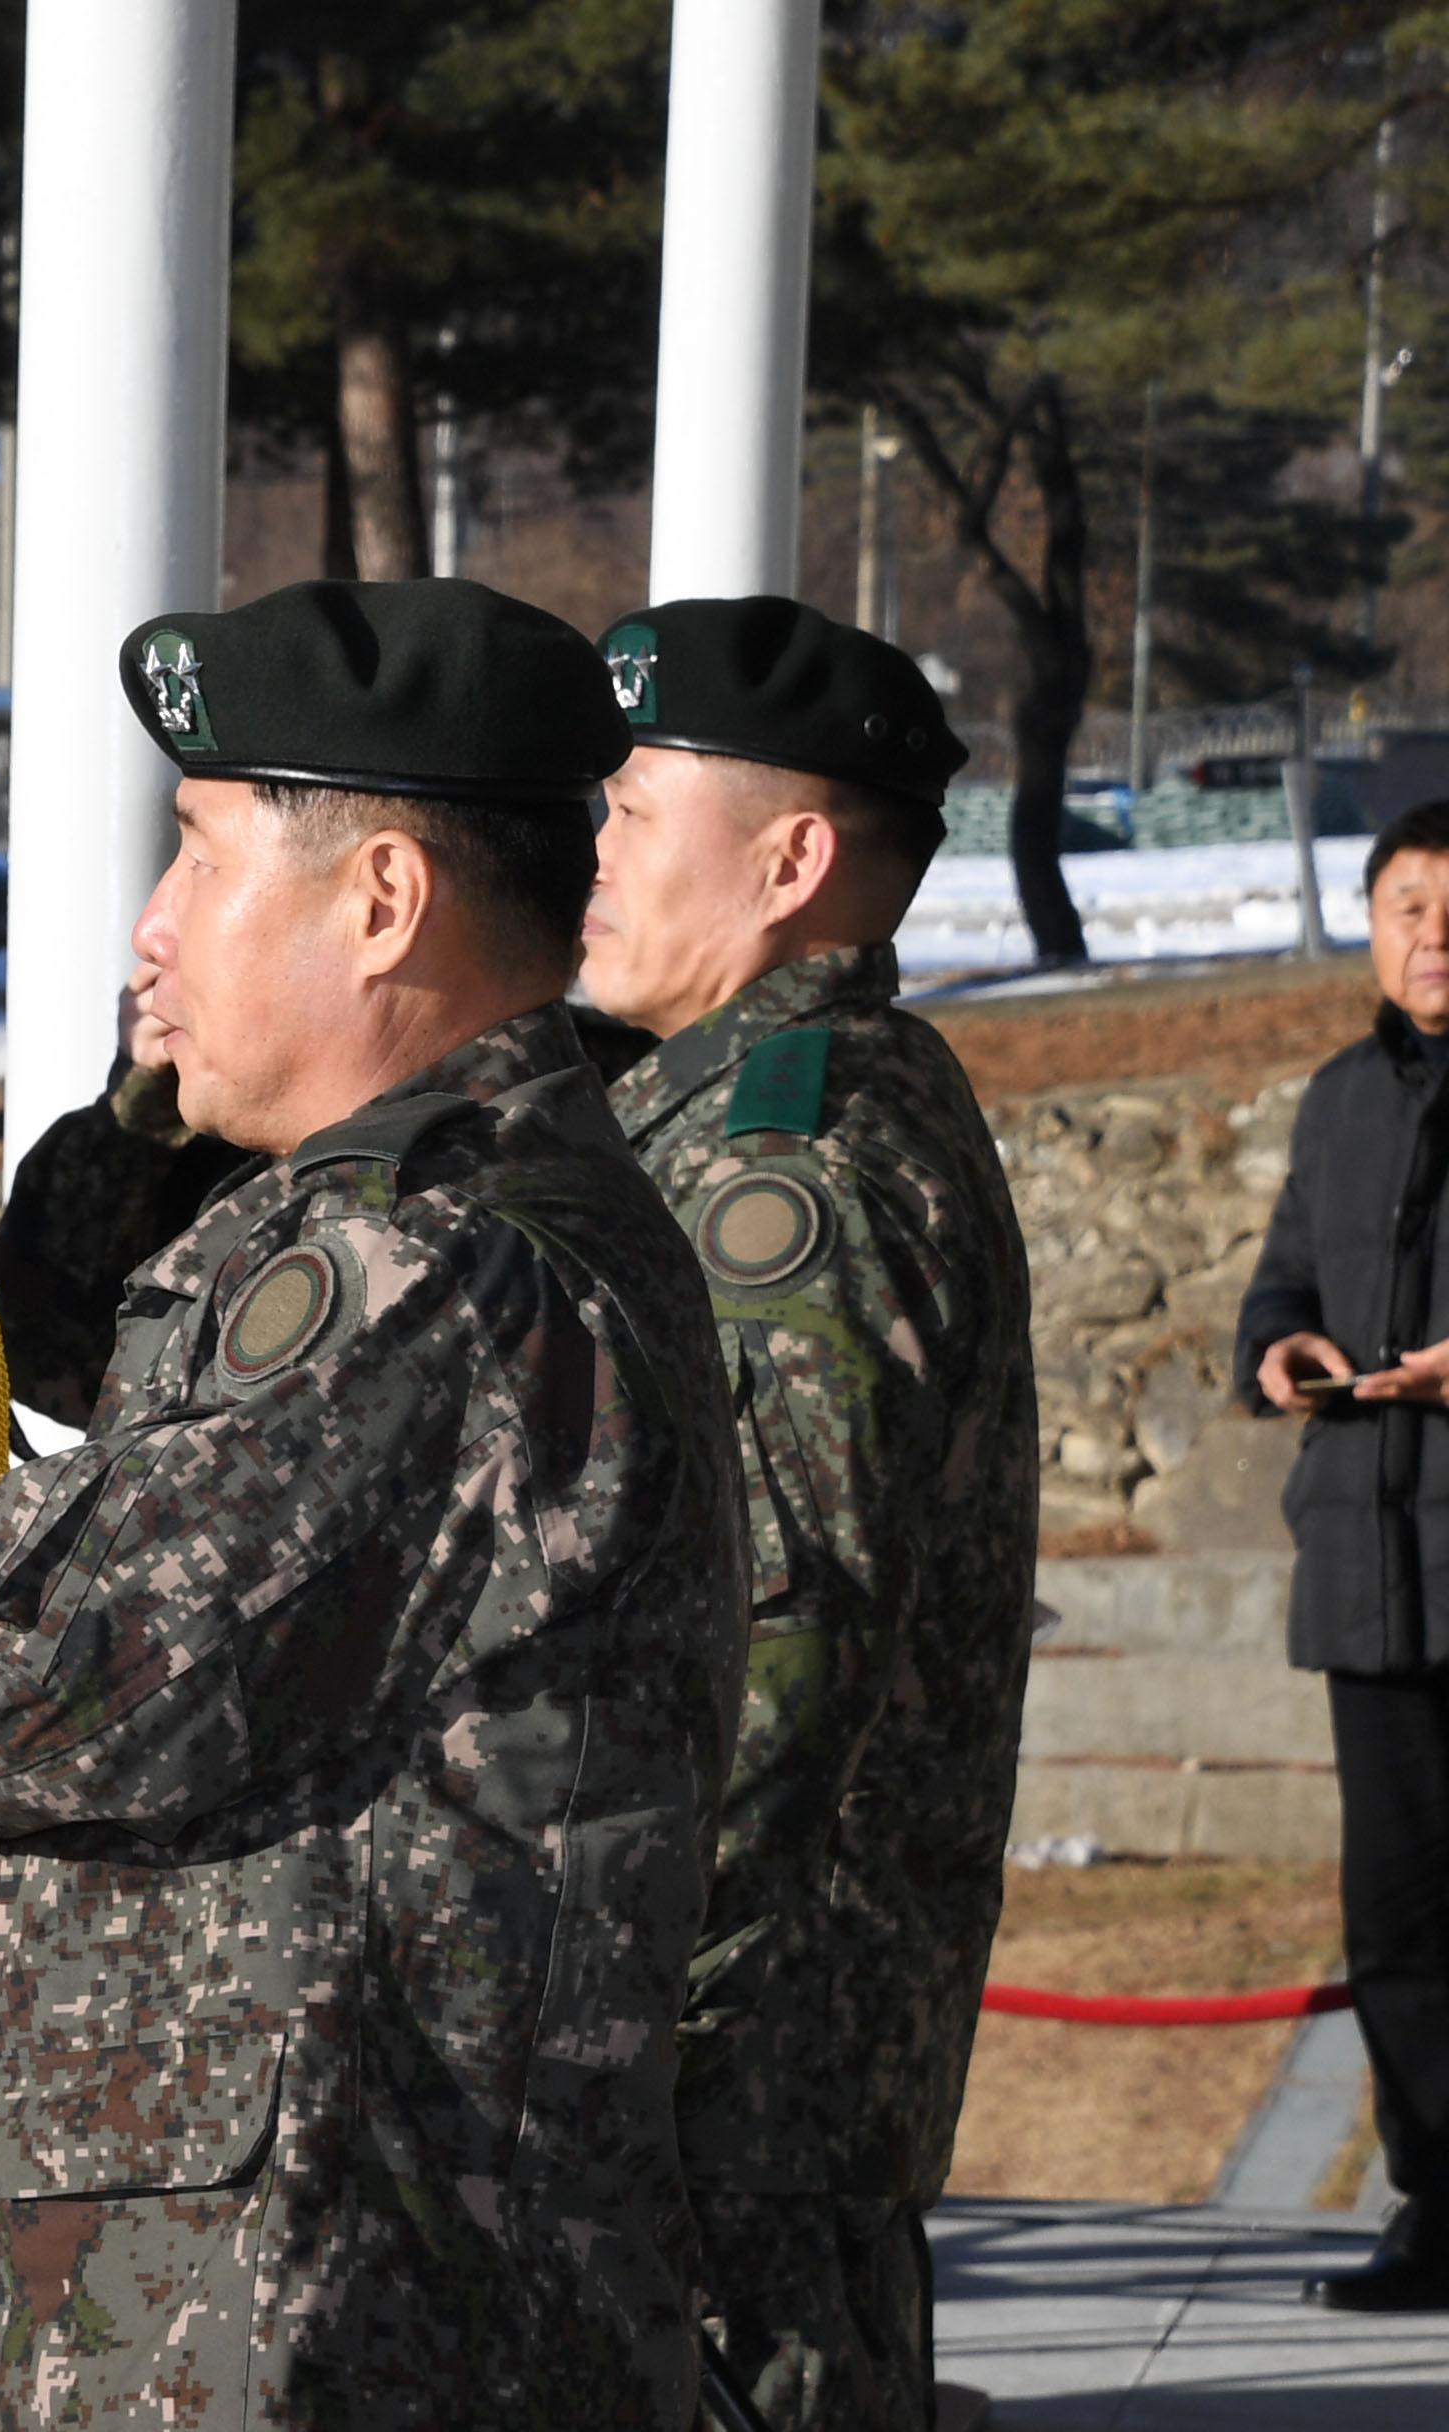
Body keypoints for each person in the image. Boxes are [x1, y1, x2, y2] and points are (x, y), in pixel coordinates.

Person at [0, 577, 752, 2429]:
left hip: (343, 2317)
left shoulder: (430, 1261)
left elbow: (80, 1680)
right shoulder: (381, 1225)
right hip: (270, 2292)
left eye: (199, 859)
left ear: (380, 900)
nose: (148, 930)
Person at [577, 595, 1040, 2425]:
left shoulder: (791, 1158)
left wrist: (591, 2001)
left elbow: (767, 1642)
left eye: (628, 808)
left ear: (786, 858)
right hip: (738, 2064)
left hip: (729, 2072)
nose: (587, 845)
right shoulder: (729, 1105)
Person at [1238, 791, 1449, 2313]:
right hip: (1372, 1574)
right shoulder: (1335, 1098)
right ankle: (1435, 2204)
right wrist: (1282, 1350)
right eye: (1407, 907)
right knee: (1401, 1922)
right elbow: (1280, 1285)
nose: (1433, 933)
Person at [0, 954, 251, 1428]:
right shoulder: (149, 1135)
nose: (153, 931)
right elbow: (49, 1363)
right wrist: (146, 1101)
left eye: (212, 874)